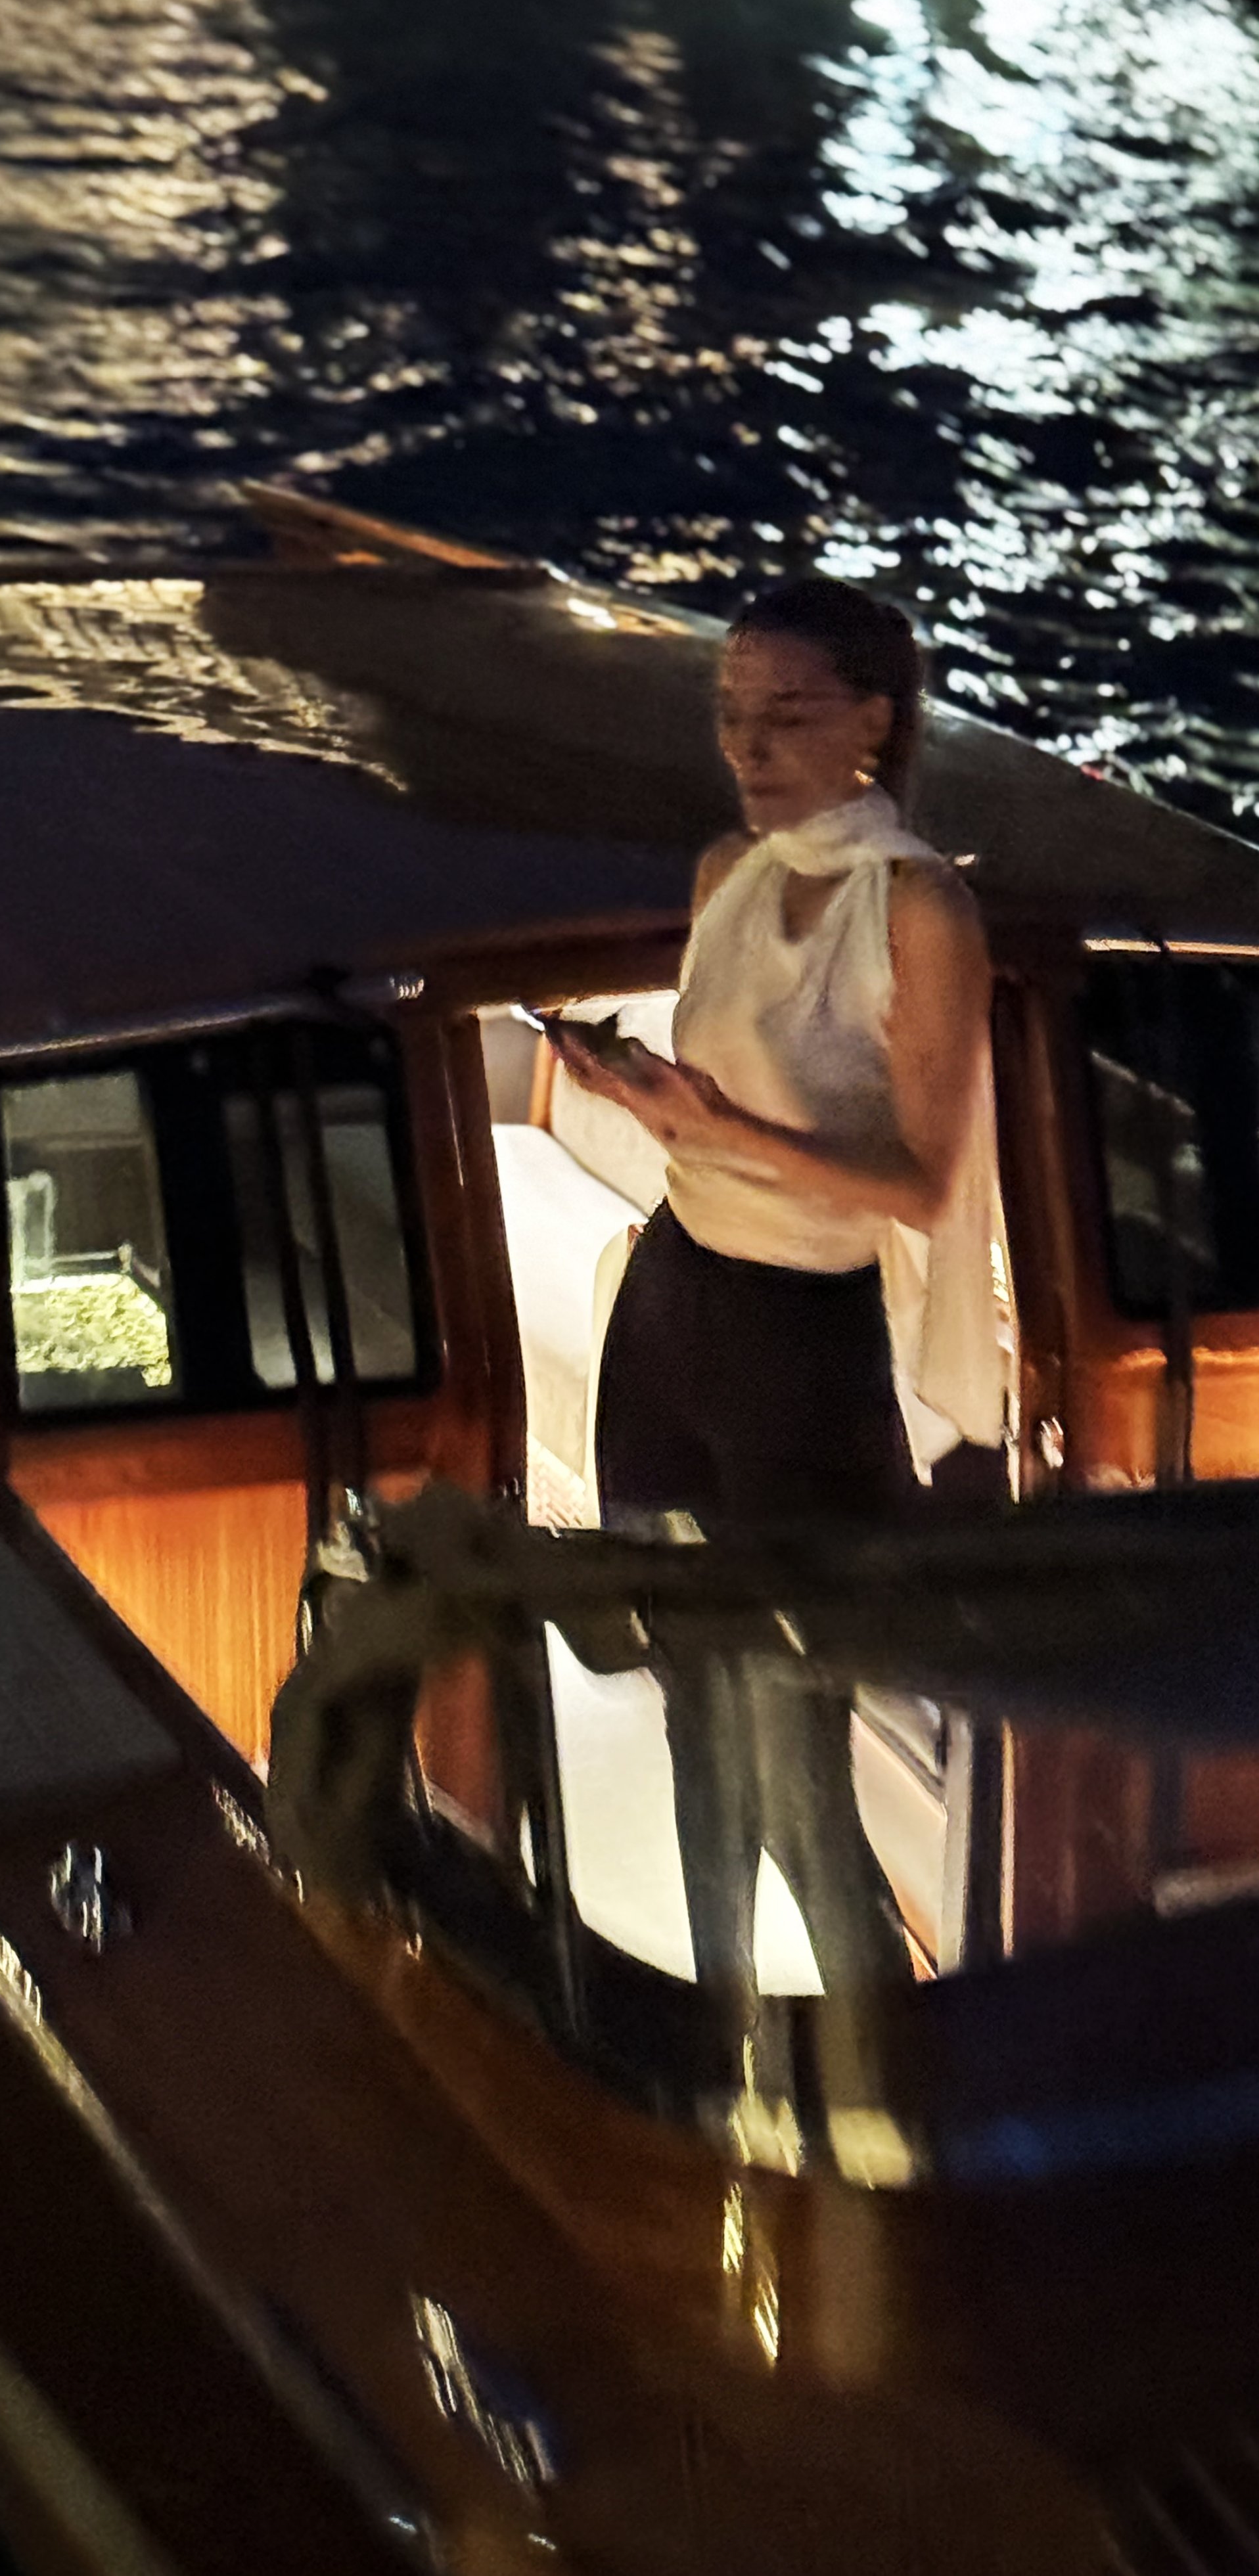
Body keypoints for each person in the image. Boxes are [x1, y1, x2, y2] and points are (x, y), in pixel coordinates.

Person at [547, 577, 1003, 2149]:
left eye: (784, 712)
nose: (745, 742)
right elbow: (712, 1125)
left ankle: (898, 2116)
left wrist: (711, 1124)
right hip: (671, 1315)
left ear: (874, 717)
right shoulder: (723, 870)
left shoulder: (918, 908)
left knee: (797, 1764)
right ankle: (720, 2051)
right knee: (689, 1704)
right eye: (729, 711)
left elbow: (920, 1184)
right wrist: (637, 1097)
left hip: (799, 1353)